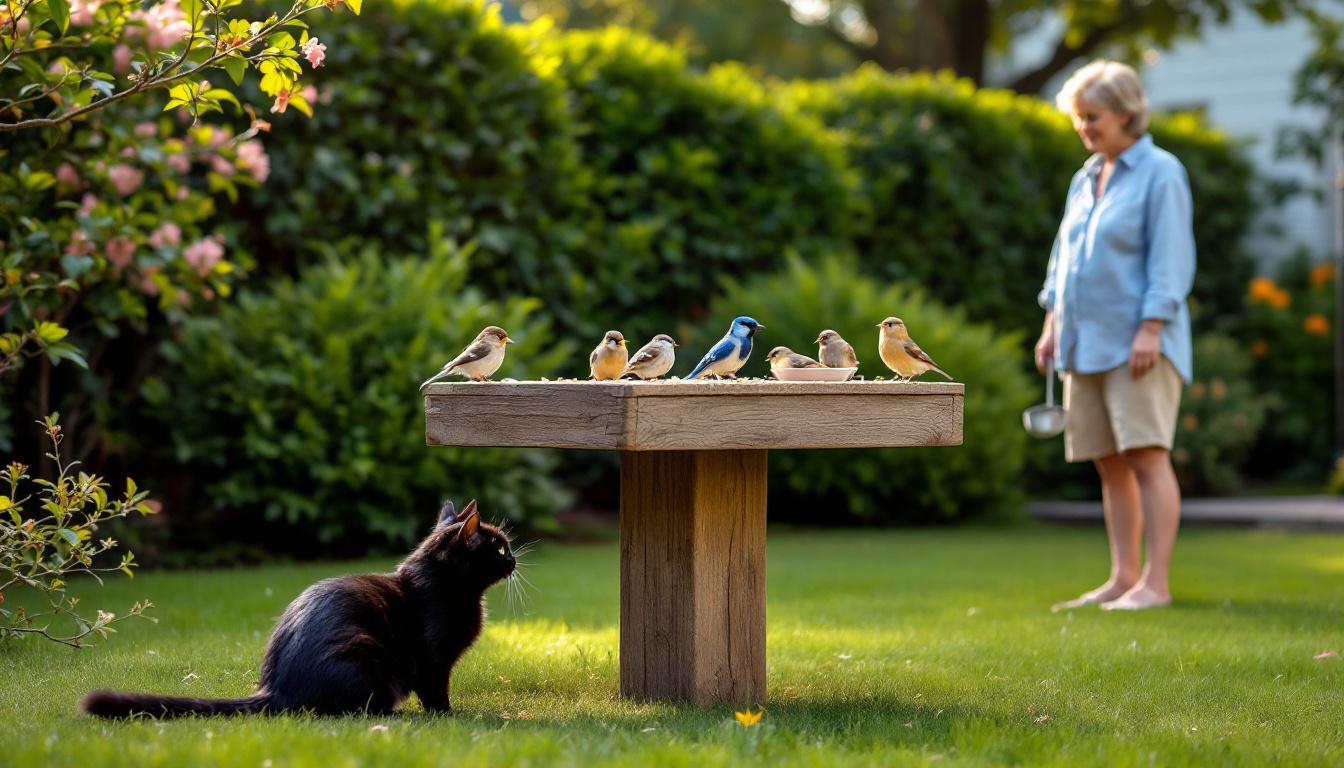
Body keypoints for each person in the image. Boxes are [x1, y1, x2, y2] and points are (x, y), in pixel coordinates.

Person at [1035, 60, 1196, 611]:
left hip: (1139, 345)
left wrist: (1151, 327)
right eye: (1078, 118)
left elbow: (1171, 259)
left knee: (1148, 456)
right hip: (1085, 342)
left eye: (1093, 116)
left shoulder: (1161, 172)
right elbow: (1064, 260)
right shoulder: (1085, 177)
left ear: (1128, 114)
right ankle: (1122, 576)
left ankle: (1157, 583)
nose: (1084, 127)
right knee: (1108, 461)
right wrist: (1052, 323)